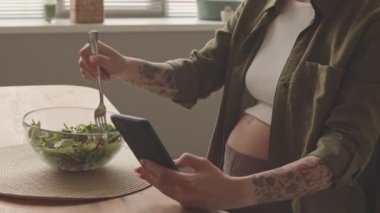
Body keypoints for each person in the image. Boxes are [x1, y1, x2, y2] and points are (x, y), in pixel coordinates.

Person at [78, 0, 380, 212]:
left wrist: (236, 191)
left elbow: (344, 149)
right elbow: (201, 71)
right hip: (229, 189)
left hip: (301, 205)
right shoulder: (258, 6)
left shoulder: (369, 20)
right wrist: (125, 68)